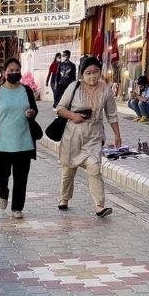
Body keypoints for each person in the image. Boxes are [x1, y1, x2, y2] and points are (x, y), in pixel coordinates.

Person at [55, 56, 121, 218]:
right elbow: (60, 108)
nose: (92, 76)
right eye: (88, 73)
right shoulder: (74, 87)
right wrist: (73, 116)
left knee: (95, 168)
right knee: (69, 170)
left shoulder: (106, 90)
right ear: (82, 74)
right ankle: (64, 198)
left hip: (94, 137)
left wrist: (117, 135)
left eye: (96, 72)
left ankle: (100, 206)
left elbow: (112, 114)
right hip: (73, 136)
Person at [0, 58, 38, 220]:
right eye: (11, 70)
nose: (14, 73)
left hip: (24, 142)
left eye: (17, 70)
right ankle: (3, 192)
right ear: (4, 72)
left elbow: (34, 109)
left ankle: (17, 208)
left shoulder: (26, 90)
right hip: (2, 144)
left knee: (21, 178)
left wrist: (31, 113)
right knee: (0, 176)